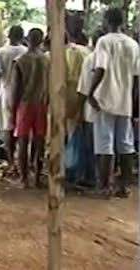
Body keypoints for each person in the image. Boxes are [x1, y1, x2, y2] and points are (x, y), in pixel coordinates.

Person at [87, 8, 139, 198]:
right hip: (124, 100)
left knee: (104, 145)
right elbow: (137, 77)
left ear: (107, 21)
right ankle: (124, 187)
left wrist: (90, 92)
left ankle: (104, 187)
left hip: (104, 99)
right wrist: (134, 102)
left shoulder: (104, 41)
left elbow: (101, 68)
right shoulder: (133, 44)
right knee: (125, 144)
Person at [11, 28, 49, 189]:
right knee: (39, 141)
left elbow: (16, 88)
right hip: (41, 103)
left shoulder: (20, 60)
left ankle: (24, 179)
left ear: (27, 39)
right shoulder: (47, 60)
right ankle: (38, 177)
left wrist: (13, 108)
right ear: (41, 40)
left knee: (23, 141)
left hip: (25, 104)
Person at [0, 25, 27, 168]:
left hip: (6, 92)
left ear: (9, 36)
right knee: (22, 127)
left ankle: (11, 160)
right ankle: (23, 160)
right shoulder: (25, 52)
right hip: (24, 93)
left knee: (8, 127)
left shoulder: (1, 52)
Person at [73, 30, 105, 189]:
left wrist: (78, 112)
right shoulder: (115, 59)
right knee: (107, 147)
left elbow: (83, 89)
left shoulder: (90, 60)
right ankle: (106, 180)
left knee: (91, 146)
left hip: (92, 110)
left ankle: (92, 177)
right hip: (113, 109)